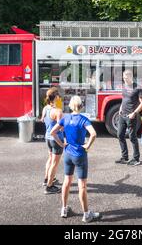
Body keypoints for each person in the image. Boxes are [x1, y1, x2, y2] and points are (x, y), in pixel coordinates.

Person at [50, 95, 101, 223]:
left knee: (67, 181)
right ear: (81, 105)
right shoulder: (83, 119)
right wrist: (87, 146)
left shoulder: (65, 118)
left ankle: (64, 209)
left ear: (71, 106)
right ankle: (86, 214)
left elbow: (53, 132)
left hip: (67, 154)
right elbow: (94, 134)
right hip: (79, 155)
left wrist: (62, 144)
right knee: (82, 185)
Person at [116, 69, 142, 166]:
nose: (124, 80)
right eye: (123, 78)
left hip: (131, 116)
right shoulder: (124, 86)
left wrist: (134, 113)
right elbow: (124, 99)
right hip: (122, 115)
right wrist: (120, 108)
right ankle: (125, 157)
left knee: (132, 137)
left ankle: (136, 159)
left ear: (130, 77)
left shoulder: (138, 88)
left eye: (126, 78)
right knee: (120, 135)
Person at [40, 87, 64, 194]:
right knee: (54, 163)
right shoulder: (58, 111)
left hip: (48, 138)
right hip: (56, 139)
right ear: (56, 97)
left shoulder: (45, 108)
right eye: (58, 96)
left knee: (50, 159)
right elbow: (61, 127)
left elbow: (42, 119)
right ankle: (49, 187)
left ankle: (46, 179)